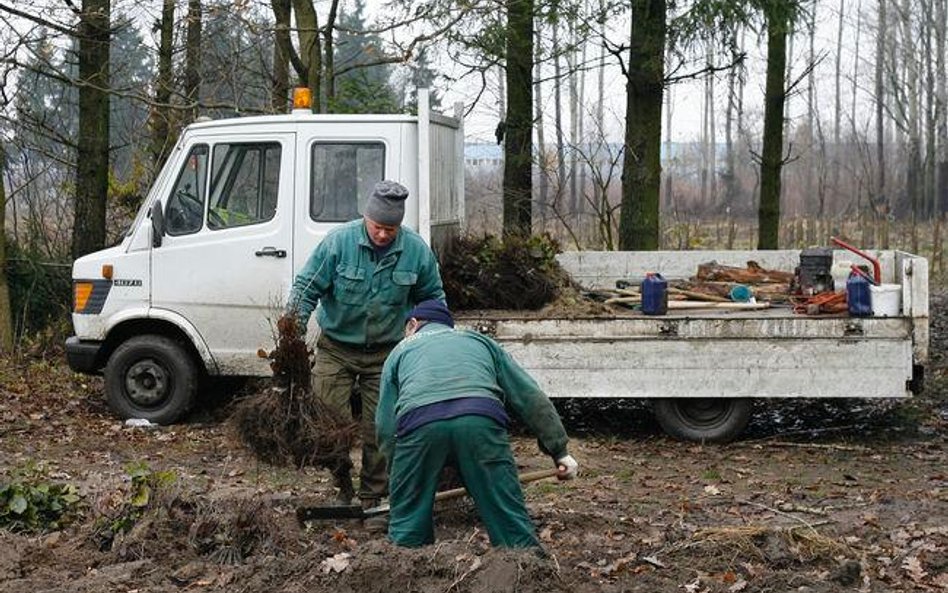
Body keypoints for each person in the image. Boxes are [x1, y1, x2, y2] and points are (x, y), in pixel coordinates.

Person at [287, 180, 446, 511]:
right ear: (366, 218)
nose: (384, 235)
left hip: (386, 355)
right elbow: (306, 287)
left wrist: (429, 341)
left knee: (381, 429)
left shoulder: (416, 251)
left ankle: (374, 497)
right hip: (336, 349)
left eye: (391, 228)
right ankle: (342, 488)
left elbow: (433, 299)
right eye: (378, 227)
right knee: (332, 426)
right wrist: (292, 332)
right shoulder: (338, 243)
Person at [376, 299, 578, 549]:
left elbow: (385, 426)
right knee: (507, 515)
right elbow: (529, 397)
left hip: (420, 425)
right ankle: (524, 570)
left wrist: (401, 473)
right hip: (479, 421)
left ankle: (404, 571)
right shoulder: (479, 341)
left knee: (406, 526)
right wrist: (559, 451)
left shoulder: (400, 351)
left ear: (413, 324)